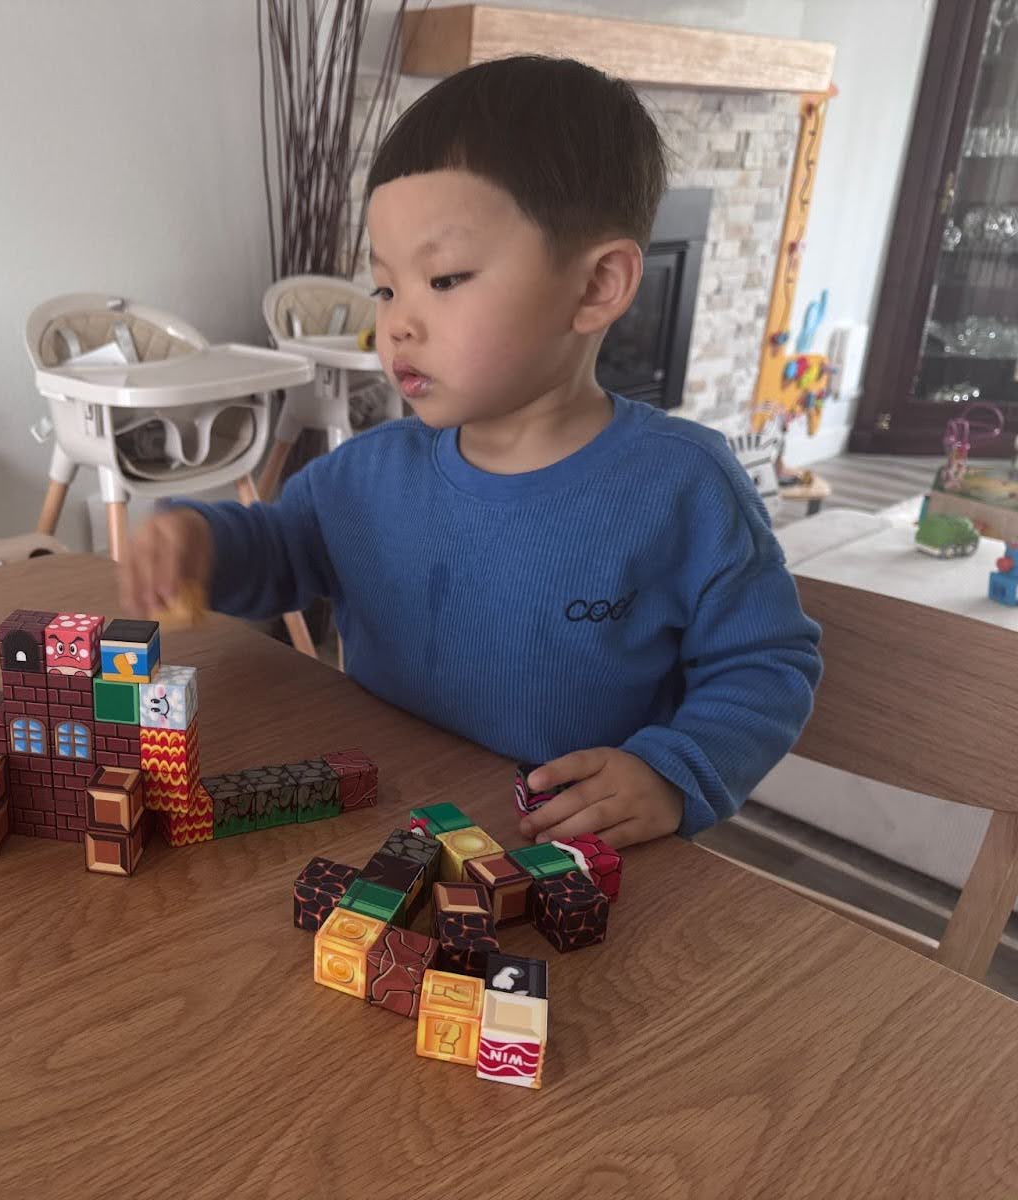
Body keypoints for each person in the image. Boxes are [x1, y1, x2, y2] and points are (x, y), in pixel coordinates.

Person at [119, 56, 821, 850]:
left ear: (597, 286)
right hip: (385, 827)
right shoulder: (368, 473)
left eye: (445, 279)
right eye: (386, 288)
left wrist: (674, 772)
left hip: (565, 853)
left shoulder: (683, 488)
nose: (397, 324)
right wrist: (201, 542)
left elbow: (768, 665)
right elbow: (281, 550)